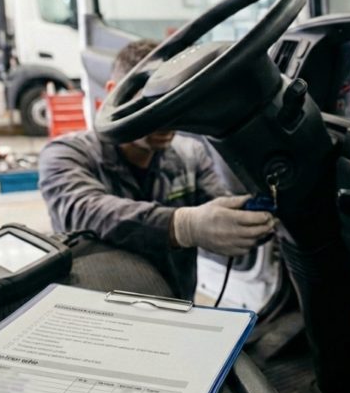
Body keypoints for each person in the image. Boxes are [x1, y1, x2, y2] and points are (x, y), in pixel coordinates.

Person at [38, 39, 275, 300]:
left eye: (173, 103)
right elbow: (86, 211)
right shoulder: (66, 155)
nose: (166, 119)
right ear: (114, 94)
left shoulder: (190, 155)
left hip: (175, 307)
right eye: (152, 104)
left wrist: (250, 217)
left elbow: (220, 213)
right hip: (98, 316)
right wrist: (183, 225)